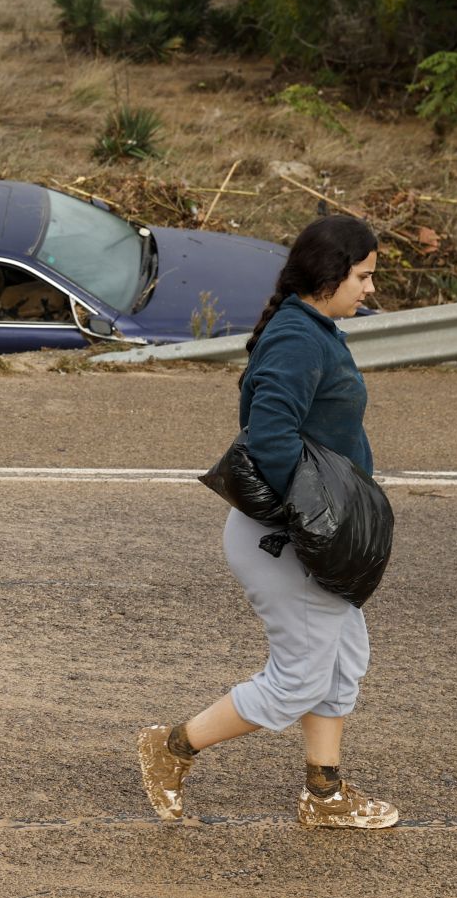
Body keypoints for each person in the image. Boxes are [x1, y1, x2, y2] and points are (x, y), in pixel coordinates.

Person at [138, 215, 401, 830]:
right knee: (298, 681)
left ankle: (325, 793)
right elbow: (271, 439)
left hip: (305, 534)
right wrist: (318, 529)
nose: (369, 289)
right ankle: (170, 748)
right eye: (362, 277)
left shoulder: (316, 327)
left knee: (341, 662)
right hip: (289, 537)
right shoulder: (298, 339)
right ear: (330, 275)